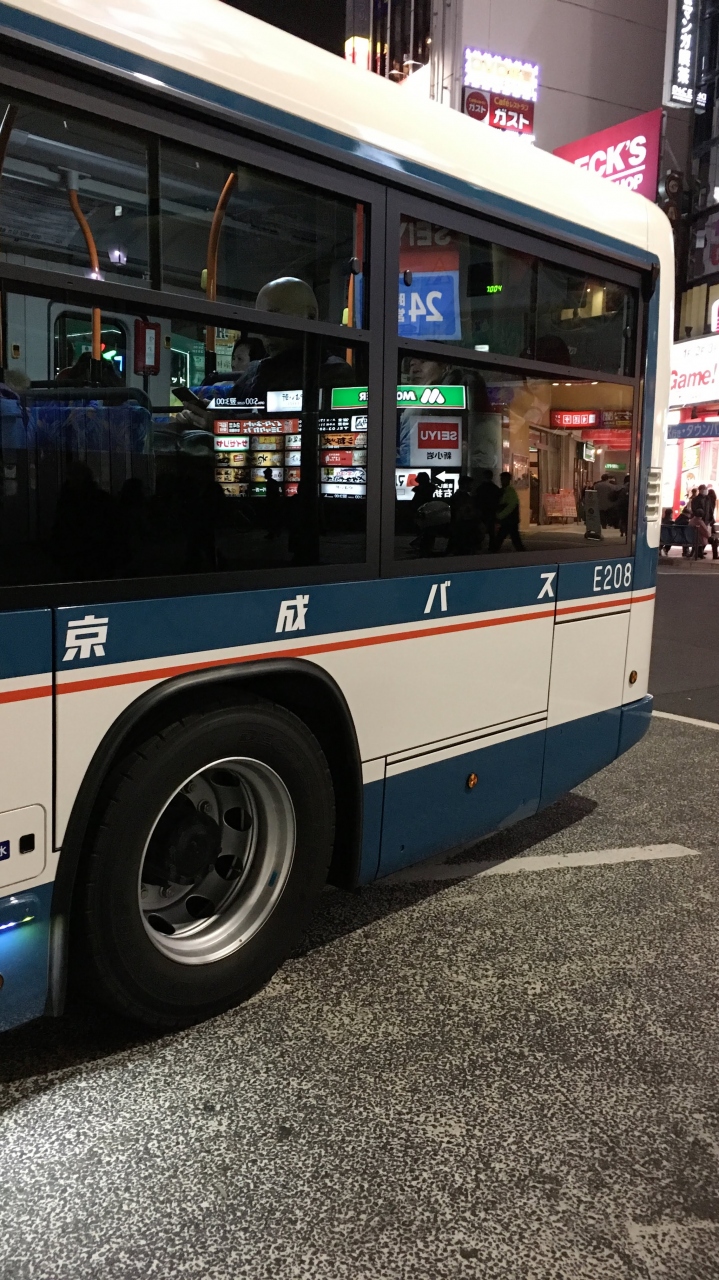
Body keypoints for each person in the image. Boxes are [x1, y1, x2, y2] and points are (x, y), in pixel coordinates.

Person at [489, 472, 524, 552]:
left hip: (509, 519)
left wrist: (500, 515)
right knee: (514, 538)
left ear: (508, 480)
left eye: (504, 479)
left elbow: (510, 506)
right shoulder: (506, 491)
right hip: (510, 519)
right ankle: (521, 551)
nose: (502, 481)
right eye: (502, 479)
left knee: (503, 537)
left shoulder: (509, 491)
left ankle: (493, 550)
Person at [447, 475, 478, 555]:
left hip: (460, 527)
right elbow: (463, 512)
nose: (471, 486)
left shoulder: (458, 496)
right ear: (465, 484)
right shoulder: (462, 497)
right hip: (463, 527)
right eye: (470, 484)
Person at [474, 468, 500, 549]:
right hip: (492, 512)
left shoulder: (480, 488)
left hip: (482, 511)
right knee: (491, 531)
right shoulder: (495, 488)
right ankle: (492, 547)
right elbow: (497, 500)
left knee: (480, 530)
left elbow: (477, 500)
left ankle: (478, 545)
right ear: (492, 477)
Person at [263, 466, 283, 539]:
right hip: (275, 503)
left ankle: (272, 533)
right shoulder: (274, 482)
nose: (264, 476)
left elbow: (271, 494)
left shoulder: (270, 483)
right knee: (273, 518)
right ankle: (274, 532)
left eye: (265, 474)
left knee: (271, 519)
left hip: (272, 503)